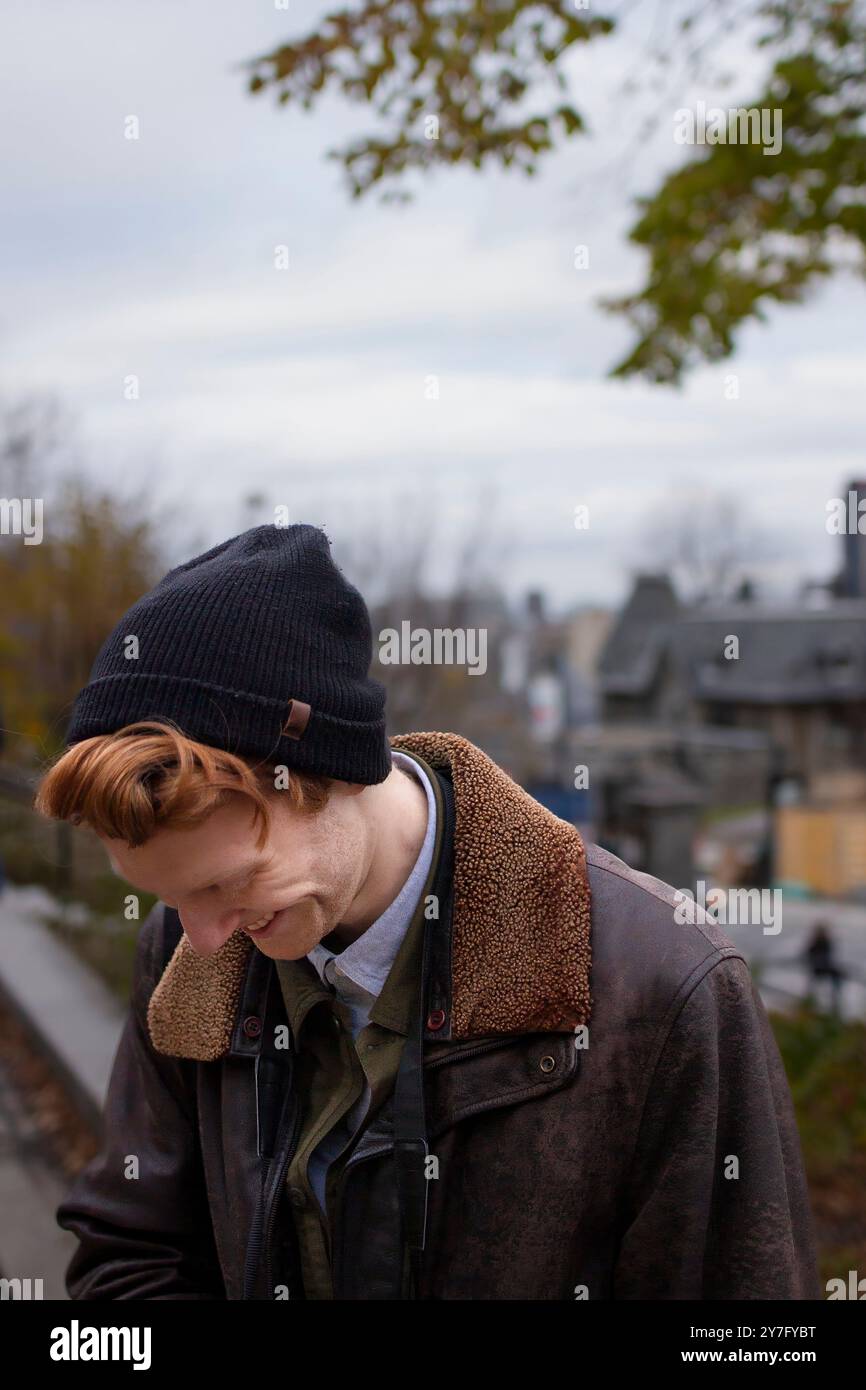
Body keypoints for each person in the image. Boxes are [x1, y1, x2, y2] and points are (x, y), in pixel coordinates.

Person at [35, 523, 821, 1300]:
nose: (201, 937)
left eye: (224, 884)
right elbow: (133, 1256)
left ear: (337, 773)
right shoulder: (184, 947)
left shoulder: (666, 983)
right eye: (173, 898)